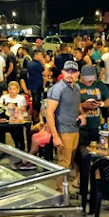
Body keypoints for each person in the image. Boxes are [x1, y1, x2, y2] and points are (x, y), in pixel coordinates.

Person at [46, 61, 86, 190]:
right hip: (63, 131)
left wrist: (82, 114)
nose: (70, 74)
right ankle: (60, 192)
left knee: (69, 161)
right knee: (63, 163)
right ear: (62, 72)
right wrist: (55, 136)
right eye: (67, 71)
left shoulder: (77, 87)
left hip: (75, 129)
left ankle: (63, 190)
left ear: (77, 74)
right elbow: (49, 112)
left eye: (73, 72)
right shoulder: (57, 89)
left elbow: (77, 103)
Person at [74, 65, 109, 188]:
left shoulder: (99, 85)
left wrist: (99, 104)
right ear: (81, 76)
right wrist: (83, 105)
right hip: (81, 126)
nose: (90, 81)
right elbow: (72, 104)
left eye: (92, 79)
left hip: (95, 124)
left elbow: (108, 101)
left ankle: (97, 174)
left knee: (97, 151)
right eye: (87, 79)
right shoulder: (77, 87)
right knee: (79, 152)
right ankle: (78, 175)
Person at [0, 81, 28, 150]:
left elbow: (24, 109)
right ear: (8, 89)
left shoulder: (21, 98)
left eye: (14, 89)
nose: (12, 91)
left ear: (17, 90)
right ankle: (2, 146)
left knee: (16, 129)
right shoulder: (3, 97)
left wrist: (15, 107)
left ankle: (20, 146)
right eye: (10, 89)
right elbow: (0, 107)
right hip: (5, 119)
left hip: (17, 119)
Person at [27, 50, 46, 122]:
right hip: (37, 86)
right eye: (41, 55)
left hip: (32, 86)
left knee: (35, 104)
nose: (42, 57)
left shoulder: (30, 63)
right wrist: (43, 64)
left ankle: (34, 120)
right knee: (38, 105)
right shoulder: (37, 64)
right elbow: (46, 73)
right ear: (36, 55)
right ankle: (36, 120)